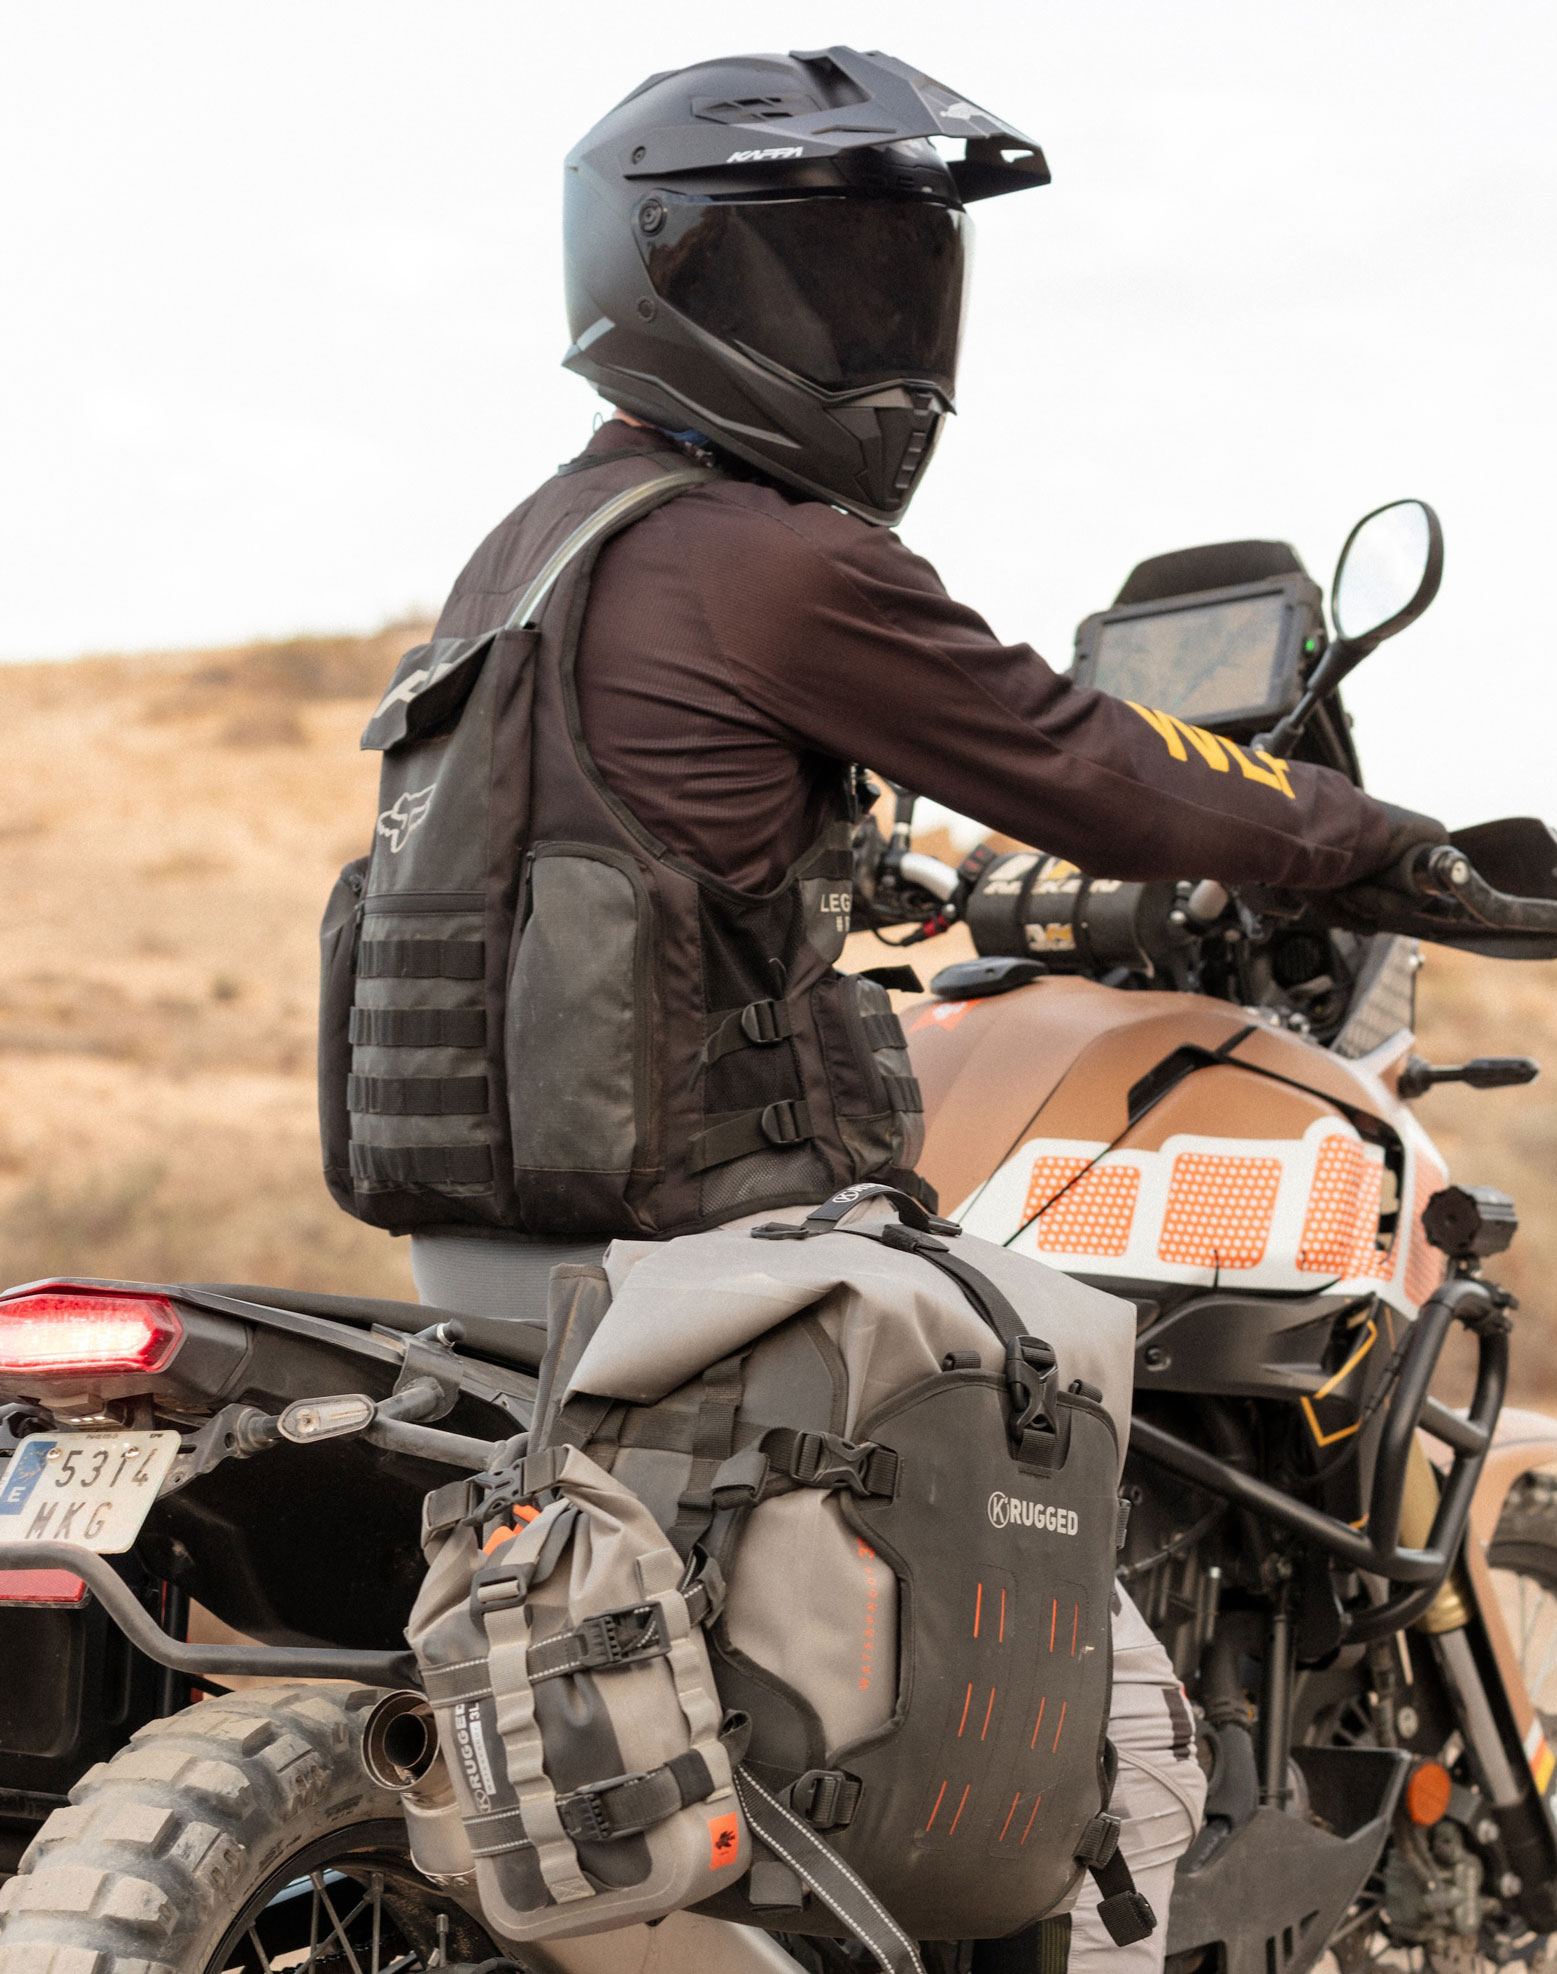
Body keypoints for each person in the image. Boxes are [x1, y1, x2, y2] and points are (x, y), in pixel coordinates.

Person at [402, 47, 1443, 1970]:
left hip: (498, 1235)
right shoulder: (778, 560)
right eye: (825, 287)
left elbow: (632, 823)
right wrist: (1372, 841)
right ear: (669, 278)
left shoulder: (533, 554)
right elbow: (1094, 760)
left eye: (901, 288)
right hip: (722, 1223)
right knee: (1121, 1749)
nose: (882, 346)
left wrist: (850, 865)